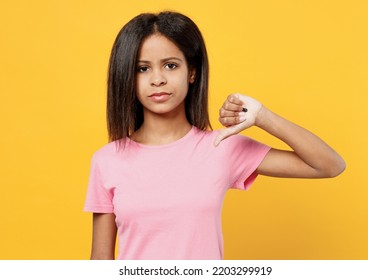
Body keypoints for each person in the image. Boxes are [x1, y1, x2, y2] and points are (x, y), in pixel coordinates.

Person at [84, 11, 345, 260]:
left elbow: (330, 165)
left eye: (171, 65)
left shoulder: (220, 147)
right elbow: (101, 259)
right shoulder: (107, 160)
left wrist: (263, 116)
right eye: (142, 69)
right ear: (126, 77)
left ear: (192, 72)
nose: (157, 79)